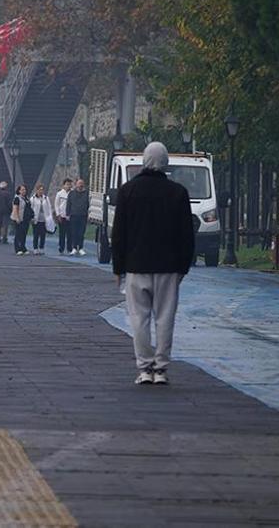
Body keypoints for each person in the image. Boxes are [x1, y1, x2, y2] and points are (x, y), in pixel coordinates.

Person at [112, 142, 195, 386]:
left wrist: (118, 268)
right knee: (165, 318)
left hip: (137, 265)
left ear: (144, 160)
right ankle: (161, 369)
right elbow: (186, 235)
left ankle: (144, 367)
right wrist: (183, 267)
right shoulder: (178, 192)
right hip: (168, 267)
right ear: (166, 162)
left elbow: (119, 234)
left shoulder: (128, 191)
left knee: (139, 319)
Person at [67, 178, 90, 256]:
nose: (80, 185)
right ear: (76, 184)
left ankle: (80, 248)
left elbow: (88, 204)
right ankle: (74, 248)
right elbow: (68, 204)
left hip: (83, 215)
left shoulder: (86, 193)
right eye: (79, 183)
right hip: (73, 215)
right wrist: (68, 214)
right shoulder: (71, 193)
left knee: (81, 233)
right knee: (74, 232)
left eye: (82, 183)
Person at [29, 183, 53, 255]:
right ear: (36, 190)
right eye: (39, 190)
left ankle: (41, 247)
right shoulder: (32, 199)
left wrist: (50, 217)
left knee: (43, 234)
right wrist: (31, 218)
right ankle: (35, 248)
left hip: (44, 219)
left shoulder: (46, 198)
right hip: (36, 219)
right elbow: (31, 209)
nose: (41, 191)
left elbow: (49, 208)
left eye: (42, 190)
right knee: (36, 234)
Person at [11, 184, 32, 255]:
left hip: (26, 218)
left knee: (24, 234)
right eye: (22, 189)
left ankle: (23, 247)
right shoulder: (17, 198)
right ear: (19, 191)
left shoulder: (26, 198)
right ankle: (17, 249)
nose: (24, 191)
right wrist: (17, 218)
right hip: (19, 218)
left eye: (25, 189)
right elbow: (15, 208)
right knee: (18, 234)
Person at [54, 178, 73, 254]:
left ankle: (69, 248)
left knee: (70, 233)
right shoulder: (59, 193)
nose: (69, 186)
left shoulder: (72, 193)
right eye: (67, 184)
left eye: (70, 184)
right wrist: (58, 214)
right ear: (64, 185)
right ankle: (61, 248)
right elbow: (56, 204)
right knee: (62, 233)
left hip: (70, 216)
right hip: (62, 216)